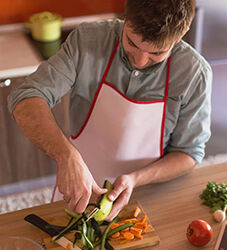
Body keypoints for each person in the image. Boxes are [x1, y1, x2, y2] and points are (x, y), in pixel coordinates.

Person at [8, 0, 212, 221]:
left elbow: (189, 153)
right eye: (132, 43)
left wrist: (135, 179)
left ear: (181, 35)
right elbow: (26, 98)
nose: (140, 61)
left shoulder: (194, 74)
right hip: (78, 192)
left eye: (157, 53)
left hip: (148, 198)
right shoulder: (88, 40)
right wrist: (66, 156)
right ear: (126, 18)